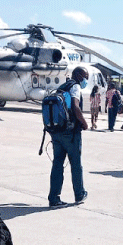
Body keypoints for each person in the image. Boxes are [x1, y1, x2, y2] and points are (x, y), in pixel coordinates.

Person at [48, 66, 89, 208]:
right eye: (85, 76)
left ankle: (54, 198)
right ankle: (79, 194)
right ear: (78, 75)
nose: (86, 80)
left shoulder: (62, 86)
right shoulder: (75, 87)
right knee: (76, 164)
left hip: (56, 131)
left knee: (57, 164)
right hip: (70, 133)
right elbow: (76, 107)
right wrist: (84, 123)